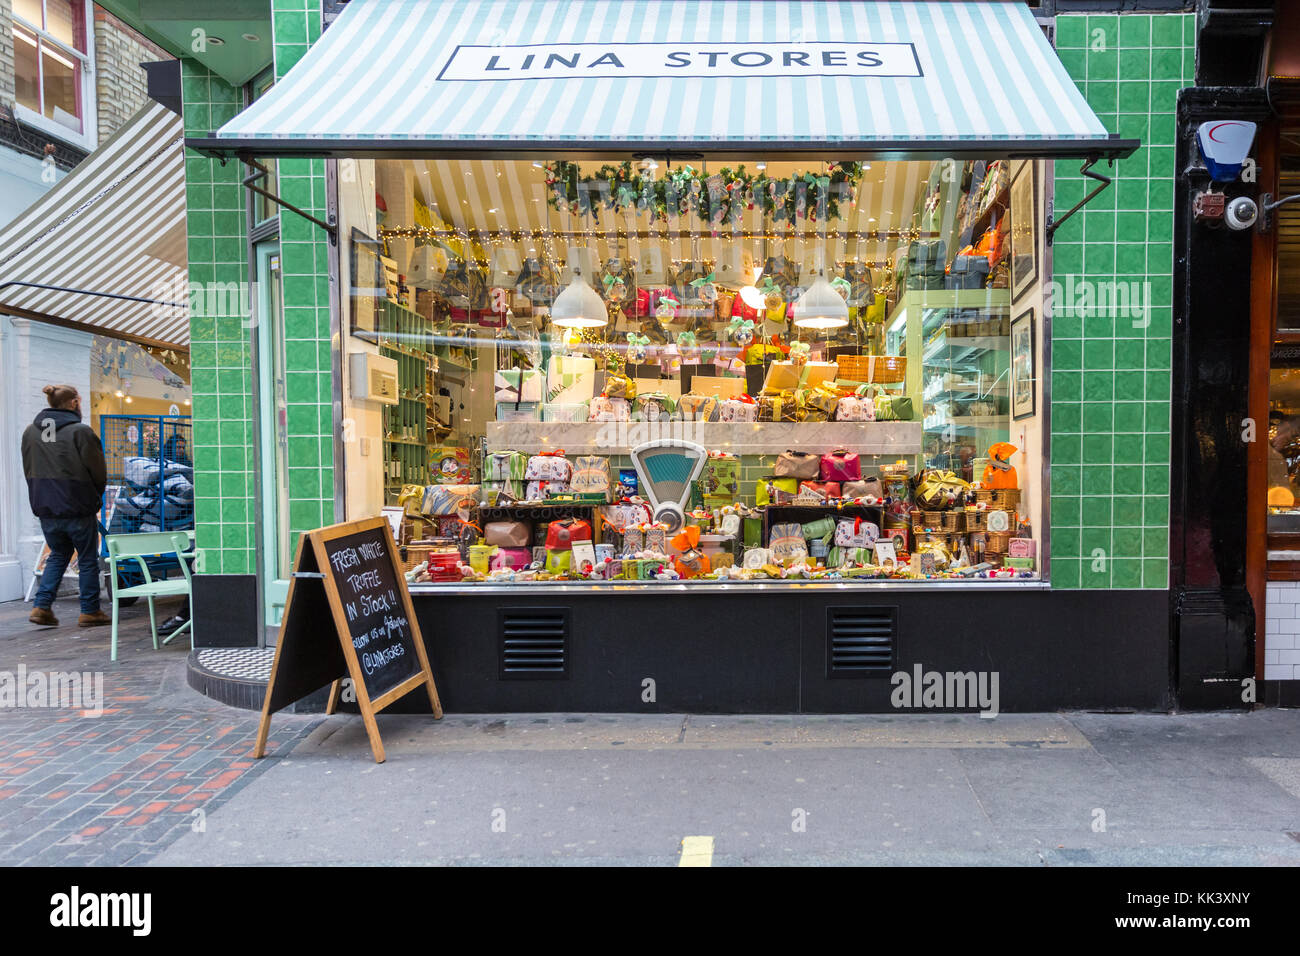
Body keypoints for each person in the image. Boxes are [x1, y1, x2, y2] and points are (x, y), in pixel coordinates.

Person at [21, 385, 111, 627]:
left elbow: (28, 468)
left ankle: (41, 606)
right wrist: (95, 497)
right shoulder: (80, 431)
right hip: (77, 505)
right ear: (73, 403)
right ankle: (90, 611)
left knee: (58, 554)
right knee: (87, 558)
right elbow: (98, 473)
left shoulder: (30, 432)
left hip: (46, 506)